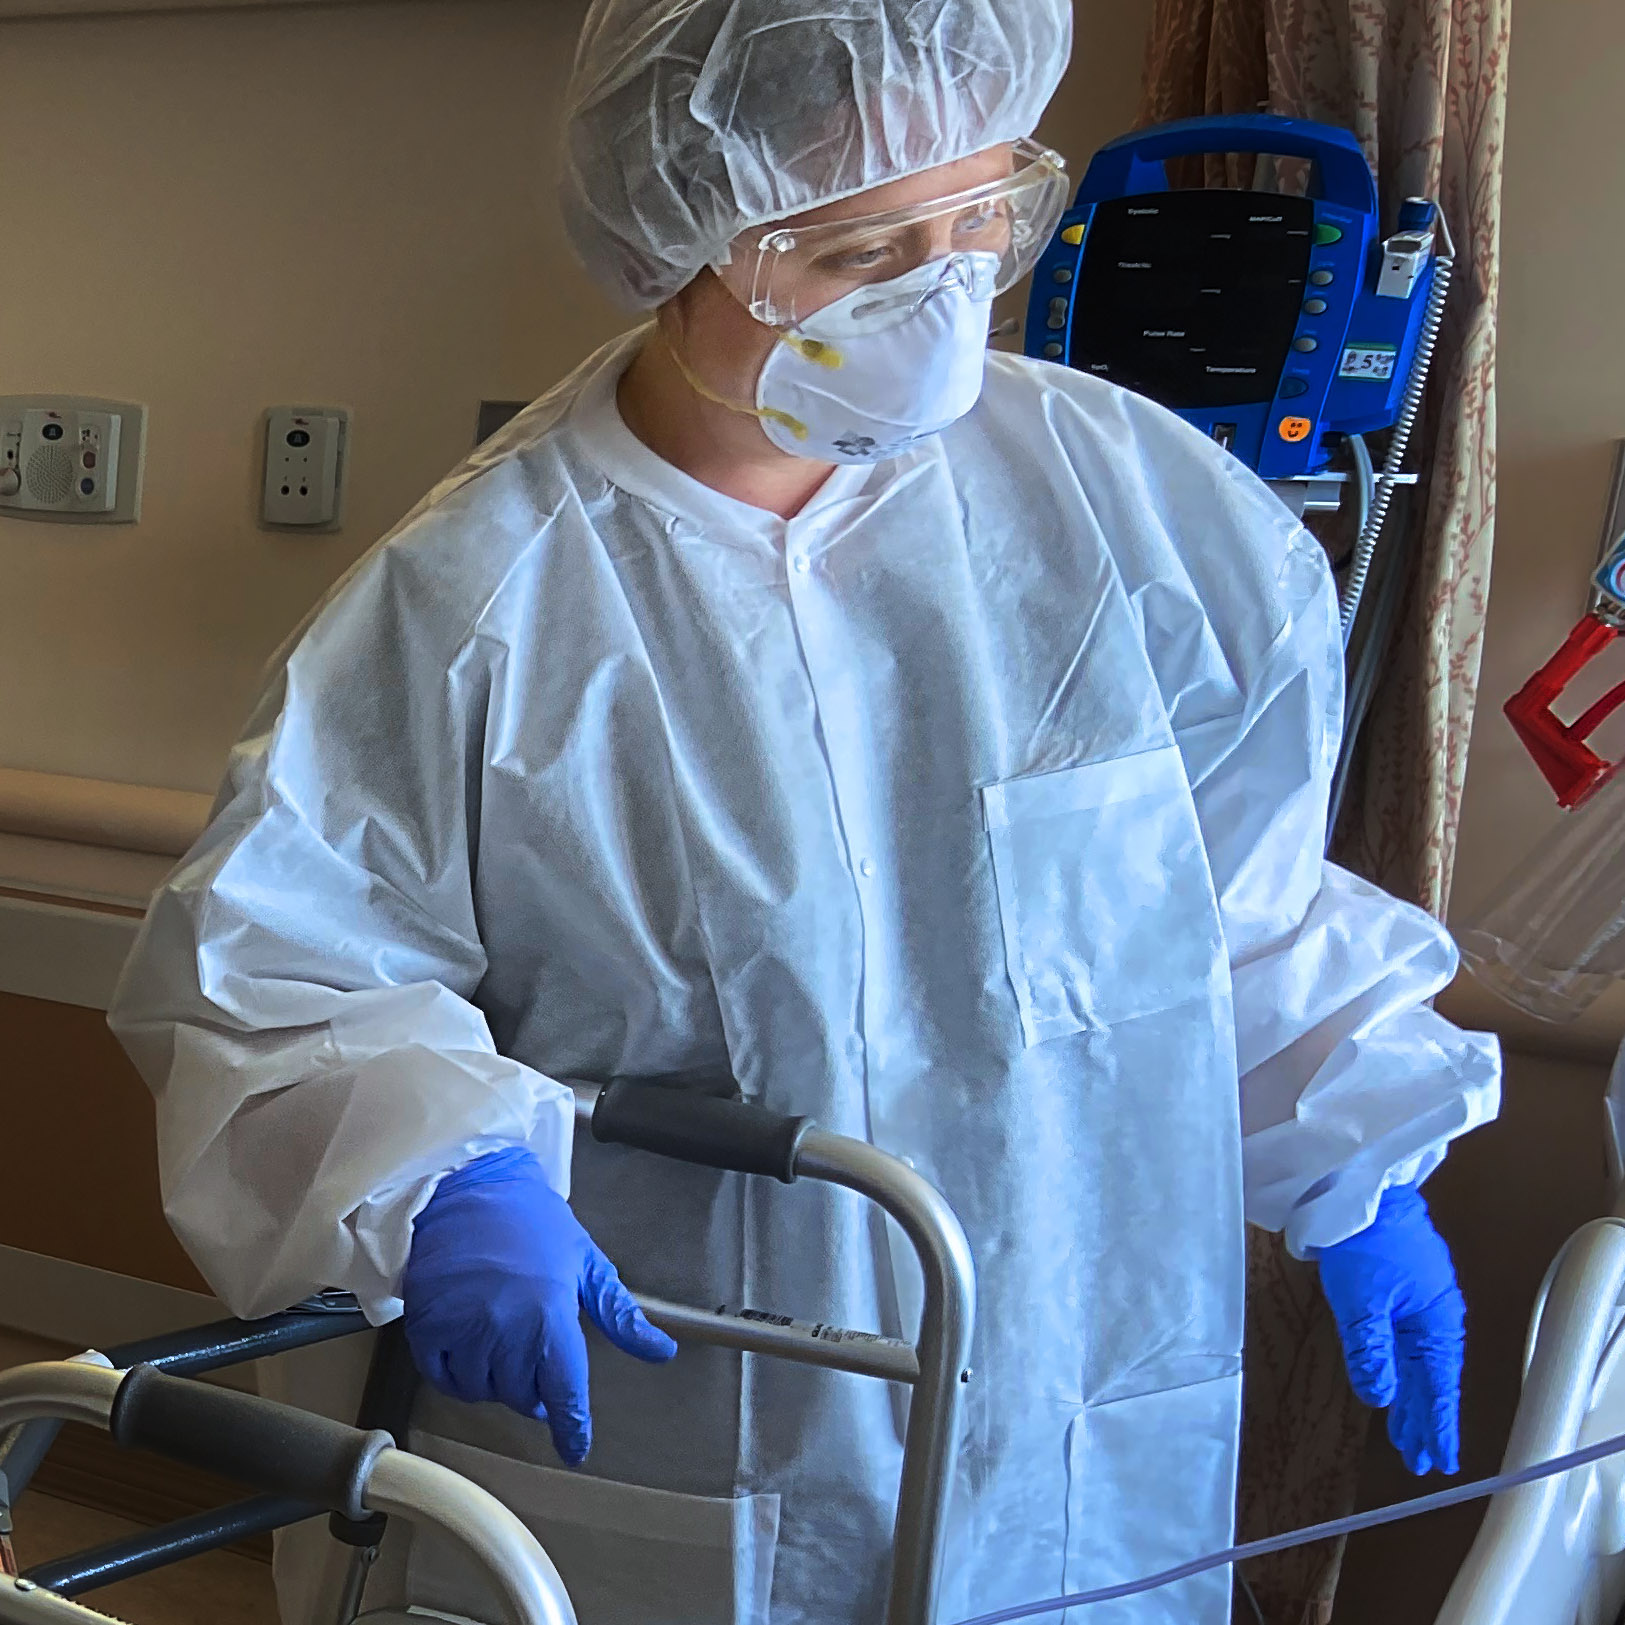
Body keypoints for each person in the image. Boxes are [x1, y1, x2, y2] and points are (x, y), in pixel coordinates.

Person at [109, 1, 1502, 1621]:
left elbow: (1228, 907)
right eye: (855, 252)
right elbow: (284, 976)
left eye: (976, 219)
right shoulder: (481, 605)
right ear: (677, 241)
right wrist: (447, 1177)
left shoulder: (1140, 525)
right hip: (683, 1420)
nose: (936, 292)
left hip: (1068, 1408)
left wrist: (1359, 1163)